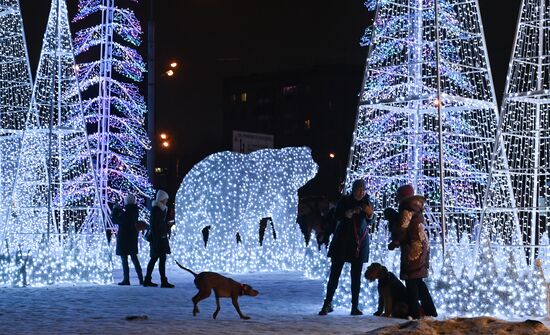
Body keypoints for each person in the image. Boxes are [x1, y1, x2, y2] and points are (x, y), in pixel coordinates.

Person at [319, 179, 375, 316]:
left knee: (356, 277)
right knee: (334, 275)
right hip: (342, 243)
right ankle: (327, 304)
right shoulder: (345, 200)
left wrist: (370, 213)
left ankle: (354, 306)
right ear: (354, 190)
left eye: (363, 190)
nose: (361, 192)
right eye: (358, 189)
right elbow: (336, 216)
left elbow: (371, 221)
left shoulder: (367, 202)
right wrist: (346, 214)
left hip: (359, 244)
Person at [387, 184, 437, 319]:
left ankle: (414, 312)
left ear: (402, 196)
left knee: (411, 280)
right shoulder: (416, 206)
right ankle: (430, 310)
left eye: (398, 196)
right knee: (418, 280)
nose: (396, 199)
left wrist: (395, 241)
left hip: (413, 247)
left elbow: (402, 227)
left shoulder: (407, 208)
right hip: (422, 244)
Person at [143, 190, 175, 288]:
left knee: (157, 259)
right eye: (165, 199)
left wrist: (168, 225)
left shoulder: (162, 209)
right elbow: (154, 226)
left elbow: (160, 224)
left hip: (161, 238)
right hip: (157, 240)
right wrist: (157, 240)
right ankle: (159, 281)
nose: (166, 201)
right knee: (156, 259)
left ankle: (149, 280)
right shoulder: (156, 209)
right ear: (161, 199)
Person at [113, 194, 143, 285]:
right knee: (134, 258)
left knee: (124, 259)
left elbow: (116, 220)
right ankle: (141, 279)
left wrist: (115, 210)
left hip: (124, 238)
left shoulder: (127, 212)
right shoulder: (134, 211)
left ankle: (126, 279)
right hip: (132, 238)